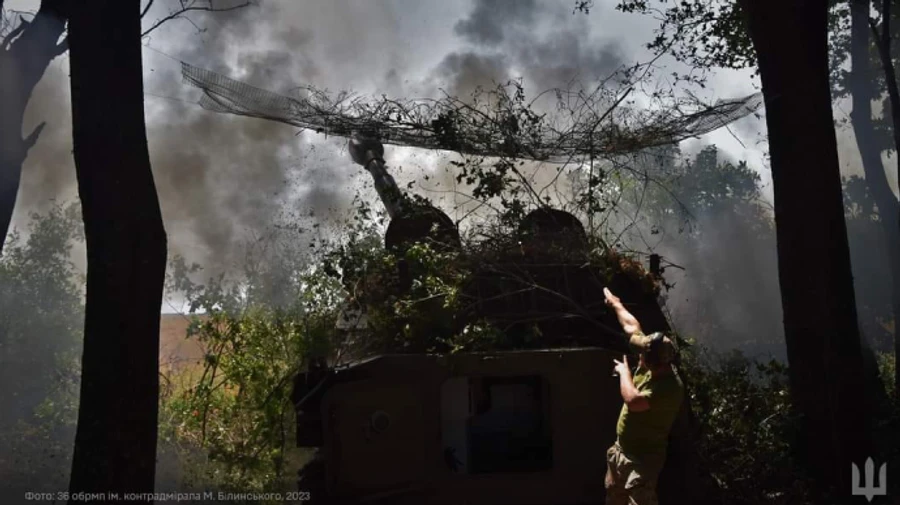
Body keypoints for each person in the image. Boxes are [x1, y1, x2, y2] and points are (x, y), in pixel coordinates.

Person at [603, 287, 684, 505]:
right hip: (621, 451)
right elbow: (632, 327)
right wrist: (615, 303)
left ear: (651, 362)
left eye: (643, 358)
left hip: (642, 461)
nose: (640, 358)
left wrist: (624, 373)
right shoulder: (653, 352)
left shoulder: (669, 388)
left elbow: (634, 401)